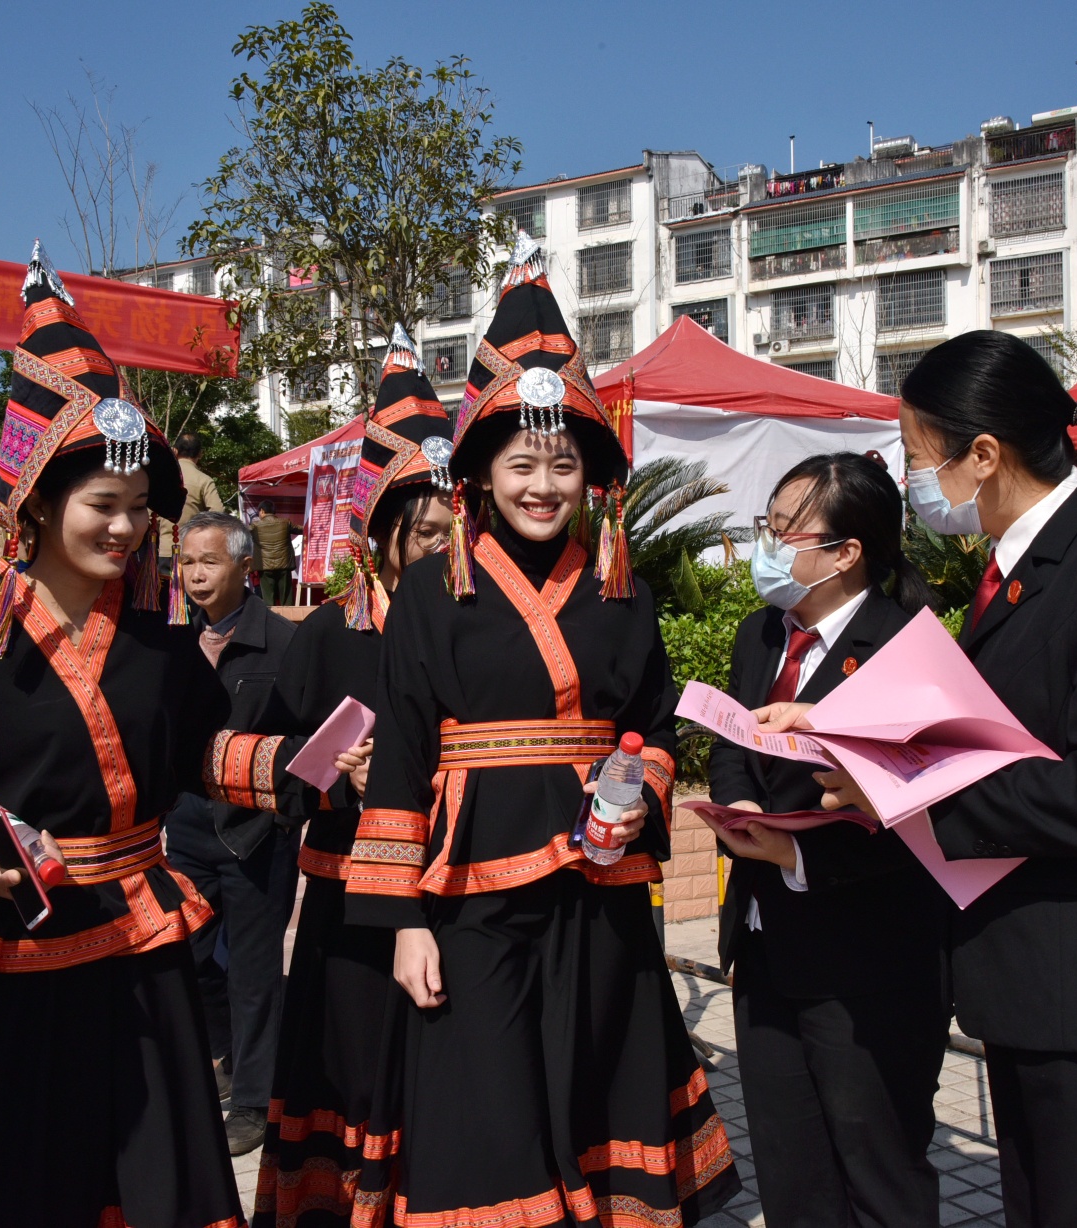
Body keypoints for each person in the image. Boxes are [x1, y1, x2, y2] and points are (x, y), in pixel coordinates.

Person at [784, 332, 1077, 1227]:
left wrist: (912, 791)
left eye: (918, 455)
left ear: (983, 454)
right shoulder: (1025, 567)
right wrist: (849, 734)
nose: (912, 479)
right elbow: (1001, 733)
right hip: (1039, 977)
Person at [332, 238, 741, 1228]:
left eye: (563, 461)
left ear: (590, 473)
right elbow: (403, 754)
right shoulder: (431, 593)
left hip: (598, 881)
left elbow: (650, 725)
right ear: (480, 471)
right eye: (522, 462)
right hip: (469, 889)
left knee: (596, 1074)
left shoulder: (622, 591)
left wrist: (637, 793)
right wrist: (402, 923)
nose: (543, 483)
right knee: (485, 1093)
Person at [0, 243, 247, 1228]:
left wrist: (299, 766)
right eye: (103, 506)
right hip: (21, 951)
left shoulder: (156, 641)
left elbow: (200, 755)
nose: (125, 529)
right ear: (37, 502)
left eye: (139, 510)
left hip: (144, 950)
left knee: (152, 1182)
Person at [702, 453, 950, 1228]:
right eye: (766, 525)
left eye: (784, 532)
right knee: (791, 1170)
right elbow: (732, 742)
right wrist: (740, 804)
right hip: (763, 942)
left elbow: (926, 809)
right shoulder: (759, 633)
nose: (767, 546)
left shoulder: (908, 651)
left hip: (868, 959)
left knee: (878, 1168)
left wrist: (799, 853)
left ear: (846, 553)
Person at [247, 326, 457, 1226]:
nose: (441, 551)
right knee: (352, 1063)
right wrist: (337, 777)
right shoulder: (332, 634)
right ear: (381, 534)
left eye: (453, 533)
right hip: (347, 899)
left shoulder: (476, 630)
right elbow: (261, 761)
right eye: (425, 534)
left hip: (449, 888)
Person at [167, 509, 301, 1155]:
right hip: (188, 826)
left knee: (254, 974)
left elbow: (309, 732)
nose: (196, 575)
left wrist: (284, 809)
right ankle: (227, 1053)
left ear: (245, 568)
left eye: (210, 561)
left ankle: (253, 1099)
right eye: (188, 562)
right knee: (188, 956)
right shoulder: (172, 641)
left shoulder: (283, 643)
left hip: (256, 833)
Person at [159, 430, 225, 567]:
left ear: (175, 451)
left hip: (163, 549)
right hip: (191, 550)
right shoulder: (204, 480)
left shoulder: (162, 478)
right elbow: (218, 512)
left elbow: (148, 514)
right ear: (200, 454)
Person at [251, 498, 299, 605]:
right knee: (286, 600)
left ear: (262, 511)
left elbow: (241, 533)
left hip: (265, 567)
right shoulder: (286, 523)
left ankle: (270, 616)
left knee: (268, 601)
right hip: (284, 566)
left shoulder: (255, 526)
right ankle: (288, 616)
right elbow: (303, 529)